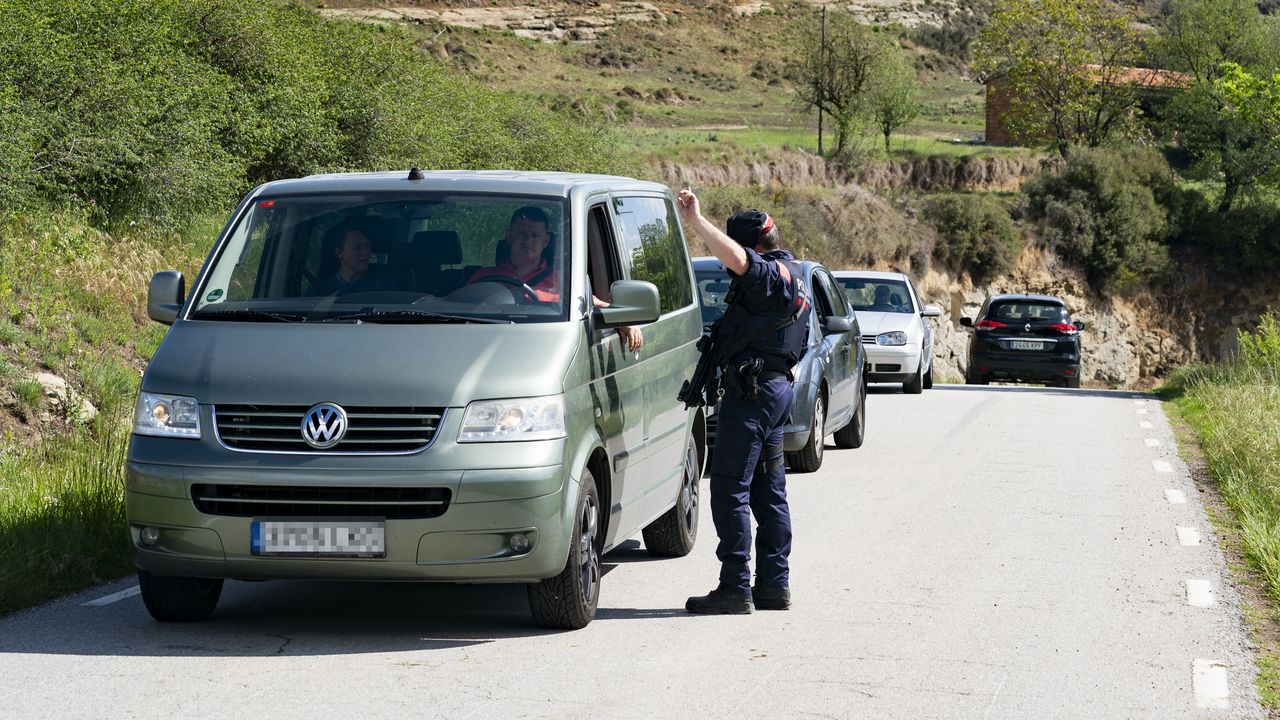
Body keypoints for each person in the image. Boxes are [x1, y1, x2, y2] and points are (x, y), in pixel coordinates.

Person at [676, 189, 809, 615]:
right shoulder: (795, 274)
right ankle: (774, 584)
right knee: (769, 490)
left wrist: (697, 221)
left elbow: (741, 262)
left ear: (751, 246)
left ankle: (735, 585)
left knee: (730, 486)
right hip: (774, 392)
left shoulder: (768, 276)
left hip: (753, 396)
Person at [468, 206, 643, 351]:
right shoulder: (483, 277)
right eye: (521, 234)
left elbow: (594, 303)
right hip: (480, 344)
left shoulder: (565, 280)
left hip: (545, 348)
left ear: (546, 241)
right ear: (509, 235)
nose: (528, 240)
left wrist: (625, 320)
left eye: (535, 235)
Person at [307, 225, 398, 296]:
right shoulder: (319, 289)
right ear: (339, 252)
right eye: (357, 247)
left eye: (368, 246)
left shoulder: (384, 286)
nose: (366, 253)